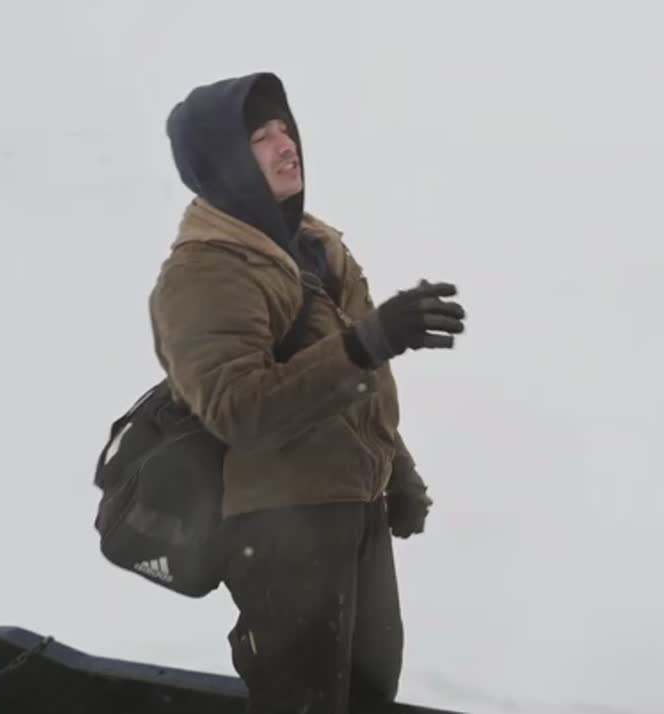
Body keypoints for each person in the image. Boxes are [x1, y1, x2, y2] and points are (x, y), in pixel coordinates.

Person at [148, 71, 466, 714]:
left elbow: (357, 388)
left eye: (284, 128)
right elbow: (238, 409)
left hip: (355, 508)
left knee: (371, 693)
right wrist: (366, 342)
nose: (285, 144)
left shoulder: (314, 249)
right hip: (280, 530)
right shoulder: (204, 272)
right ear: (221, 160)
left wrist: (396, 474)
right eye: (259, 138)